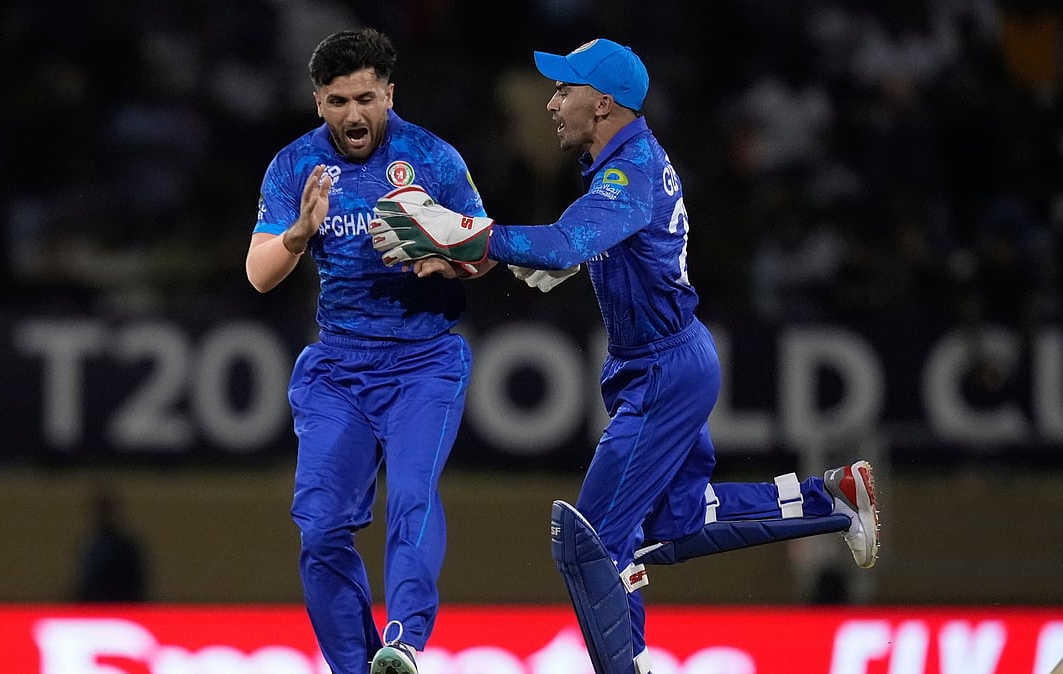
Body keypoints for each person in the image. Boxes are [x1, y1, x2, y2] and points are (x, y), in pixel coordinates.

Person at [369, 38, 880, 674]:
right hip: (666, 363)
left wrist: (458, 229)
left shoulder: (627, 174)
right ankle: (833, 499)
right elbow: (568, 252)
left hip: (663, 372)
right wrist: (471, 253)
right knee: (674, 521)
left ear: (603, 103)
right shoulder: (619, 165)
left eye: (565, 91)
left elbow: (563, 245)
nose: (552, 103)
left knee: (591, 544)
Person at [244, 28, 489, 674]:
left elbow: (486, 250)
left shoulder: (432, 159)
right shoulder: (295, 166)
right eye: (337, 101)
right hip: (339, 368)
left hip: (423, 363)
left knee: (411, 497)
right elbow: (259, 274)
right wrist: (299, 233)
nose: (353, 115)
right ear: (318, 101)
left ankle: (403, 642)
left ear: (389, 94)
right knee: (320, 527)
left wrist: (446, 258)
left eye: (365, 98)